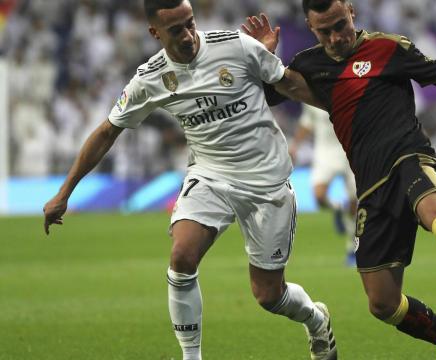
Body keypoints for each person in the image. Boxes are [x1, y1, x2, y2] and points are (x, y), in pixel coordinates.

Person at [242, 0, 436, 350]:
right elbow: (266, 95)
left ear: (351, 13)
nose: (335, 37)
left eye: (340, 25)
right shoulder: (309, 65)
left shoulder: (388, 47)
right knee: (383, 304)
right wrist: (263, 56)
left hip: (409, 156)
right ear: (311, 28)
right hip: (371, 185)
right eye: (324, 31)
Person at [42, 1, 337, 359]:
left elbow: (291, 85)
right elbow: (107, 131)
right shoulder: (150, 78)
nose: (188, 35)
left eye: (189, 23)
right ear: (155, 33)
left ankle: (315, 319)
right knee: (181, 257)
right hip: (209, 176)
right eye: (175, 30)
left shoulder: (235, 46)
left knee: (268, 296)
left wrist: (349, 114)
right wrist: (64, 192)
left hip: (266, 181)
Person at [289, 104, 358, 266]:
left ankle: (352, 249)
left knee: (354, 203)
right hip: (325, 152)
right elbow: (307, 123)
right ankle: (338, 209)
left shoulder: (348, 92)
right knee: (319, 196)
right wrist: (295, 145)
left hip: (350, 150)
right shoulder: (312, 94)